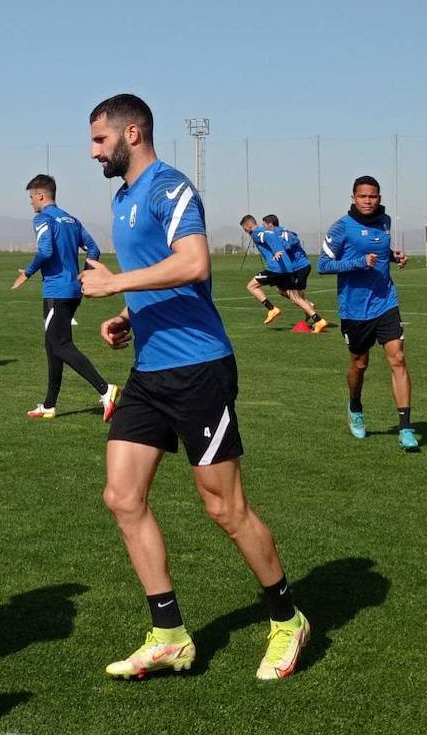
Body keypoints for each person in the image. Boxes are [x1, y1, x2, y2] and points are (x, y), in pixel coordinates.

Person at [79, 94, 308, 682]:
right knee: (121, 497)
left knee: (223, 507)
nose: (94, 151)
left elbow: (194, 263)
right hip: (150, 372)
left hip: (200, 369)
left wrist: (115, 286)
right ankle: (170, 635)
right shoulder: (125, 198)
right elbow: (163, 278)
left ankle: (288, 620)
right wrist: (130, 315)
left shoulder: (169, 187)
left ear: (133, 133)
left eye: (101, 140)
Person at [317, 176, 417, 450]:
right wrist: (359, 262)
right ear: (353, 198)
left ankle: (405, 427)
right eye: (363, 196)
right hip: (355, 310)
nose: (368, 201)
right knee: (359, 365)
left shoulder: (385, 222)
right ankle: (355, 405)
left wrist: (395, 257)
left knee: (398, 358)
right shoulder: (341, 228)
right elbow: (323, 265)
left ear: (379, 198)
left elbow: (381, 250)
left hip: (385, 302)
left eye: (373, 196)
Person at [12, 173, 120, 420]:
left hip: (56, 292)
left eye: (31, 197)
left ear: (40, 195)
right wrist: (84, 274)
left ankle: (106, 390)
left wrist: (27, 273)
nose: (31, 203)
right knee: (52, 346)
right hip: (73, 292)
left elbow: (46, 250)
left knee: (60, 345)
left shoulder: (42, 218)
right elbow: (94, 249)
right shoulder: (72, 219)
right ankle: (49, 405)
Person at [240, 214, 328, 332]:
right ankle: (318, 320)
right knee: (295, 297)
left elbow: (268, 237)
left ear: (249, 225)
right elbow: (275, 237)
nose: (245, 231)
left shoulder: (257, 232)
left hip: (276, 269)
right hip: (288, 268)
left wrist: (276, 251)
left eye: (244, 228)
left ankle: (271, 309)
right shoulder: (271, 231)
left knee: (251, 286)